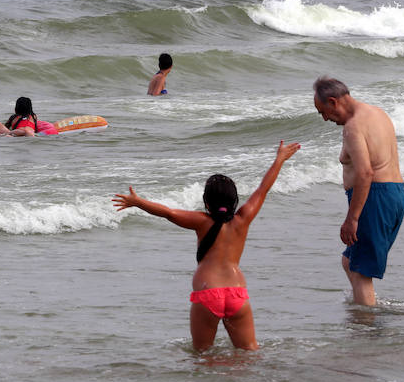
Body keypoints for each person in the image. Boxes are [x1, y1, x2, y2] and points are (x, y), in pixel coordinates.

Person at [113, 141, 301, 351]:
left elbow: (168, 213)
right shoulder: (243, 219)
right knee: (249, 353)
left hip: (207, 294)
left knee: (203, 356)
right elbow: (263, 189)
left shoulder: (201, 221)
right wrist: (280, 159)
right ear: (234, 200)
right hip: (237, 293)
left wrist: (138, 202)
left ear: (207, 202)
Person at [313, 76, 404, 306]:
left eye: (322, 111)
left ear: (333, 102)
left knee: (362, 272)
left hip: (374, 197)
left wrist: (352, 219)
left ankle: (367, 332)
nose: (324, 118)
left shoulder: (353, 127)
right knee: (350, 262)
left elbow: (365, 173)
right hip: (394, 194)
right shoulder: (377, 113)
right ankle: (364, 311)